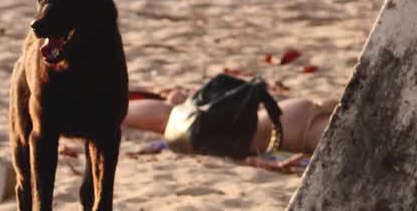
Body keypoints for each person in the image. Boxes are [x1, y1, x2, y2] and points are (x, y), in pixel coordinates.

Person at [123, 88, 334, 156]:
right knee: (174, 118)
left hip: (296, 122)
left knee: (173, 116)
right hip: (298, 122)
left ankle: (114, 110)